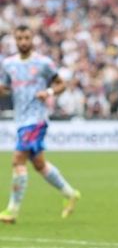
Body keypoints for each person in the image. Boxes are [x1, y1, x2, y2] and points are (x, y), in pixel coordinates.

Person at [0, 25, 81, 224]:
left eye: (27, 38)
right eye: (19, 38)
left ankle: (12, 211)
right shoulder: (8, 64)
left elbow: (60, 84)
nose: (23, 42)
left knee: (18, 160)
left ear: (32, 39)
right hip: (21, 119)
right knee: (39, 164)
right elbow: (5, 88)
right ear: (15, 40)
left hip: (36, 120)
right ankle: (70, 194)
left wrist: (49, 93)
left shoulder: (44, 63)